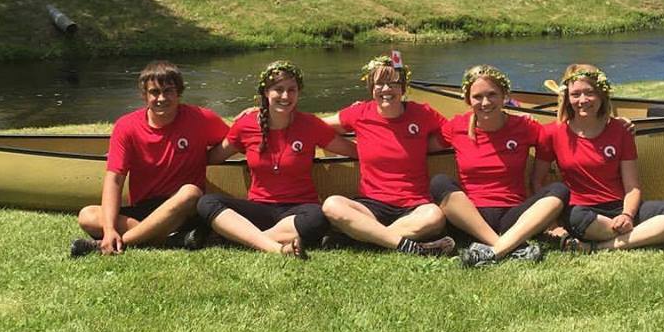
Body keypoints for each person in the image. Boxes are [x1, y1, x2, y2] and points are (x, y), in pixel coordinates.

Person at [196, 60, 357, 258]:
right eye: (278, 89)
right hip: (259, 209)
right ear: (265, 92)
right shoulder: (246, 125)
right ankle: (276, 247)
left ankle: (248, 239)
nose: (285, 96)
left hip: (299, 210)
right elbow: (213, 156)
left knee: (318, 217)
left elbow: (354, 151)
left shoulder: (310, 125)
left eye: (292, 90)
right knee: (207, 203)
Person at [72, 60, 229, 257]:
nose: (161, 98)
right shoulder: (126, 126)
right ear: (144, 95)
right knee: (87, 215)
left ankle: (121, 242)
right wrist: (110, 227)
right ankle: (173, 240)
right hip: (145, 207)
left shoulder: (201, 118)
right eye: (154, 92)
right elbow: (115, 179)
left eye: (168, 91)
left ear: (179, 92)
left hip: (185, 209)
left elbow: (234, 138)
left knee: (190, 192)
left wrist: (248, 118)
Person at [534, 63, 664, 252]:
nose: (583, 100)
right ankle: (653, 235)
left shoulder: (620, 130)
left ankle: (598, 246)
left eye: (589, 92)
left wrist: (627, 215)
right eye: (575, 94)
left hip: (620, 208)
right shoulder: (552, 132)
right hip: (582, 212)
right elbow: (537, 182)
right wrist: (552, 225)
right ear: (567, 98)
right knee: (577, 218)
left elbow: (632, 187)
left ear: (602, 94)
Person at [430, 64, 569, 268]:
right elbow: (420, 143)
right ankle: (510, 248)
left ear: (505, 96)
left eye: (492, 94)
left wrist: (612, 122)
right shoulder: (456, 126)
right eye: (477, 96)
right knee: (439, 183)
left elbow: (562, 133)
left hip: (513, 217)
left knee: (559, 190)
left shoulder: (524, 126)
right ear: (468, 99)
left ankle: (492, 251)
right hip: (471, 218)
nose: (485, 102)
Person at [321, 55, 455, 256]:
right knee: (332, 205)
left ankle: (365, 238)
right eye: (380, 84)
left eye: (392, 83)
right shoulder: (359, 112)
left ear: (402, 87)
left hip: (414, 205)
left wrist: (427, 146)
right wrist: (263, 114)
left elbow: (454, 131)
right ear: (371, 88)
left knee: (435, 216)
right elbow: (318, 127)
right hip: (370, 206)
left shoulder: (423, 113)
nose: (386, 89)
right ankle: (409, 246)